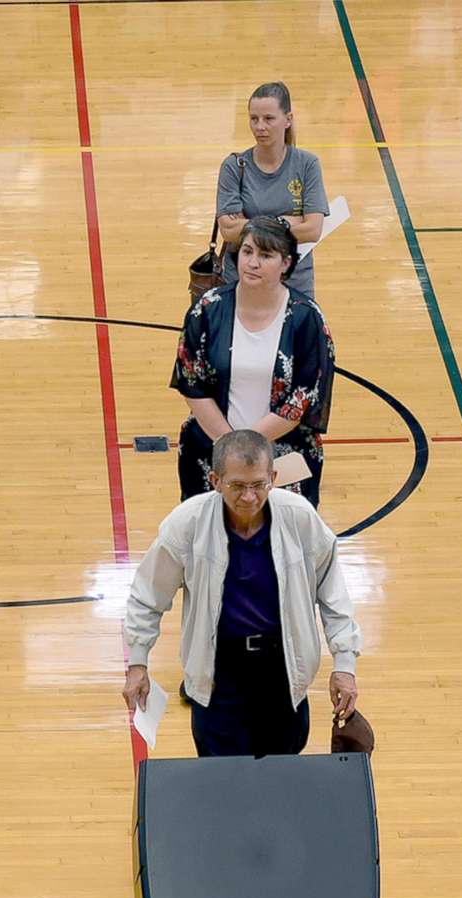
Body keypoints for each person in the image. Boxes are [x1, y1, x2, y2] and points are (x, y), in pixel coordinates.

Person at [124, 431, 358, 758]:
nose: (249, 497)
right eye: (237, 486)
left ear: (273, 478)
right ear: (215, 480)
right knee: (222, 786)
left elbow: (334, 597)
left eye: (258, 485)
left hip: (284, 672)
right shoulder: (186, 524)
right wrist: (138, 663)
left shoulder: (301, 518)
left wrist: (345, 664)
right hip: (219, 678)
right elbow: (147, 597)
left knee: (282, 781)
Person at [171, 217, 335, 503]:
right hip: (212, 452)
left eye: (265, 255)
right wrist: (229, 447)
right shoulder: (208, 309)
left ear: (286, 263)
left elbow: (302, 398)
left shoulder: (306, 317)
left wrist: (248, 449)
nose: (253, 262)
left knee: (282, 545)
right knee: (210, 544)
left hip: (283, 460)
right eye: (247, 252)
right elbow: (192, 383)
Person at [215, 83, 329, 301]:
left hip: (295, 282)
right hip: (243, 280)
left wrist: (249, 224)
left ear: (288, 119)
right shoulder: (233, 166)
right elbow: (229, 230)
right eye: (254, 119)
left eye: (269, 119)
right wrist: (288, 222)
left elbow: (313, 230)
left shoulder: (307, 164)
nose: (260, 127)